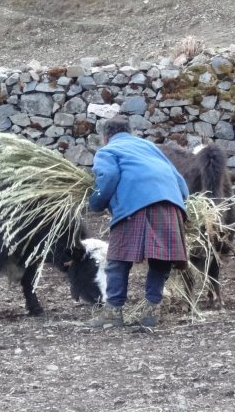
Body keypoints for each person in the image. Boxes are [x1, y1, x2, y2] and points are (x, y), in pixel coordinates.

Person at [85, 116, 190, 329]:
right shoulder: (149, 147)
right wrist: (181, 203)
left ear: (106, 137)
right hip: (170, 205)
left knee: (118, 259)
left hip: (135, 206)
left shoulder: (107, 151)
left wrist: (95, 202)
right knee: (161, 259)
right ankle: (152, 308)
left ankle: (113, 311)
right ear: (130, 132)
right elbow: (179, 180)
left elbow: (108, 176)